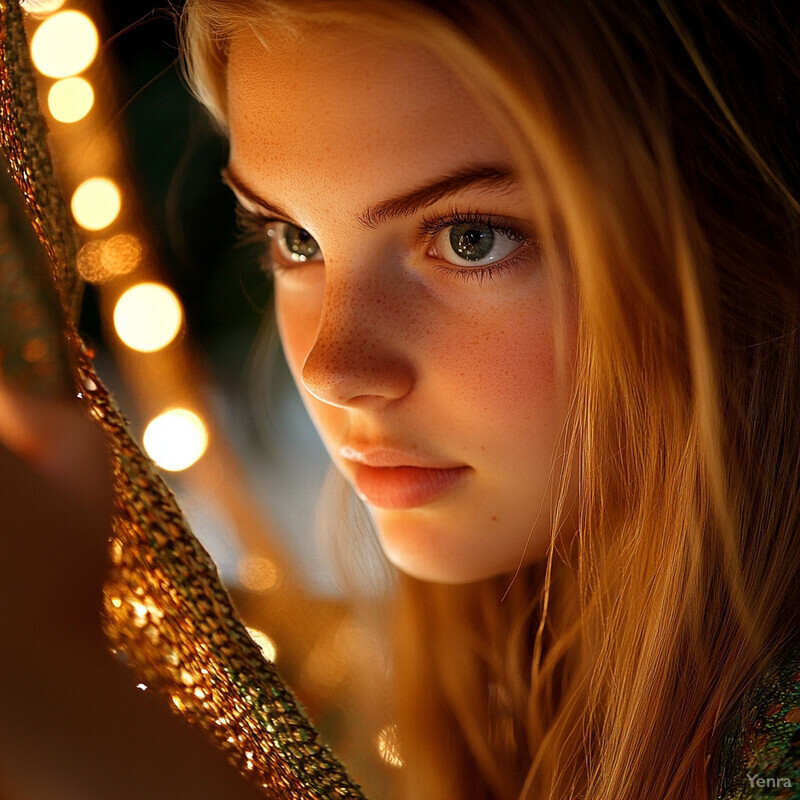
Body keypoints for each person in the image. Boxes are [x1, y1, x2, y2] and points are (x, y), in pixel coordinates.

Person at [1, 0, 799, 798]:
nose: (332, 368)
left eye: (471, 238)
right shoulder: (470, 694)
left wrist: (71, 706)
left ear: (731, 238)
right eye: (295, 239)